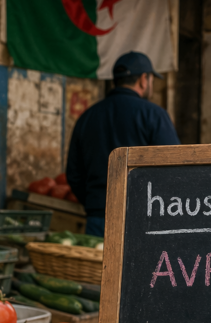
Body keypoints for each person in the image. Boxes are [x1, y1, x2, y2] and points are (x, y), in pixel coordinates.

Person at [66, 51, 179, 236]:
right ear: (144, 79)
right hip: (143, 218)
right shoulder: (154, 115)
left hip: (98, 218)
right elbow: (174, 169)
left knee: (96, 265)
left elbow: (74, 174)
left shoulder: (88, 116)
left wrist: (97, 202)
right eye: (151, 79)